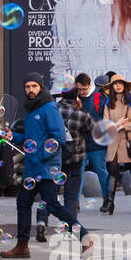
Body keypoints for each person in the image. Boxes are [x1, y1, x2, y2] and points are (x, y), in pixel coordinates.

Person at [8, 73, 90, 258]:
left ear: (41, 87)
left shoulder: (49, 108)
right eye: (27, 87)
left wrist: (41, 155)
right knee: (23, 203)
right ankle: (22, 246)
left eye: (34, 86)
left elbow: (59, 137)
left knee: (52, 205)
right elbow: (29, 138)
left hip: (46, 168)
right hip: (32, 167)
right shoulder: (31, 109)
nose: (30, 90)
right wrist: (12, 136)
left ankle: (84, 236)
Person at [39, 84, 94, 233]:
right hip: (74, 160)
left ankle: (41, 222)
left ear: (61, 96)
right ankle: (70, 229)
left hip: (53, 159)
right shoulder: (82, 114)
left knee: (48, 194)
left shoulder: (52, 111)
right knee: (71, 197)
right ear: (77, 96)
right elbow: (92, 131)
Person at [99, 74, 131, 214]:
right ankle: (110, 203)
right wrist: (117, 125)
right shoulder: (109, 102)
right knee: (113, 170)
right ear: (111, 87)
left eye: (120, 83)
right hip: (114, 142)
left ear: (124, 85)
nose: (118, 86)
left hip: (129, 141)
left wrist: (124, 126)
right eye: (115, 84)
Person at [73, 73, 109, 198]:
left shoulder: (99, 97)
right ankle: (75, 202)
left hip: (97, 143)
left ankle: (107, 199)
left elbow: (105, 119)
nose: (81, 92)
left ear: (89, 85)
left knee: (101, 172)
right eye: (79, 89)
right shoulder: (74, 98)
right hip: (80, 143)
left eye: (84, 89)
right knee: (78, 173)